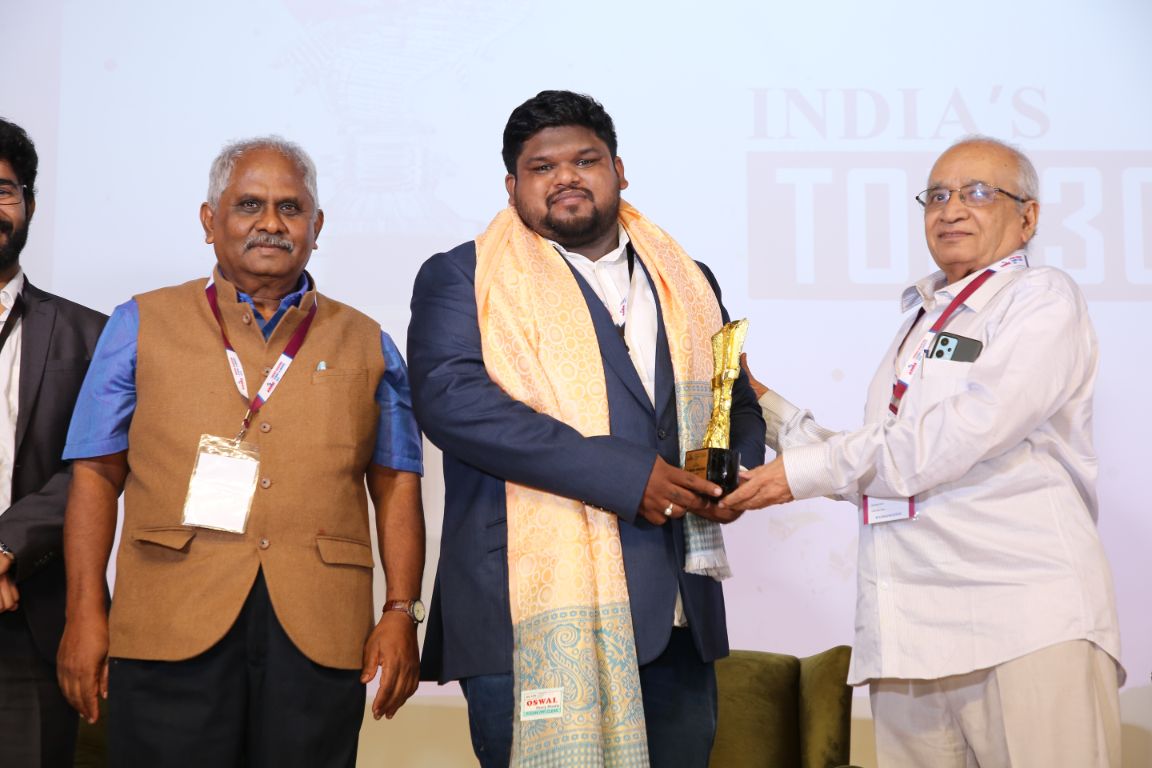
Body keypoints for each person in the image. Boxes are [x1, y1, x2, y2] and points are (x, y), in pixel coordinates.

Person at [726, 136, 1123, 768]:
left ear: (1028, 217)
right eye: (936, 196)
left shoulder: (1042, 296)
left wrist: (797, 475)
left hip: (1023, 618)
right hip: (908, 634)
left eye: (978, 193)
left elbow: (962, 433)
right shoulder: (919, 319)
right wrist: (764, 406)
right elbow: (885, 463)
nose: (951, 209)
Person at [408, 90, 765, 768]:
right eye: (541, 167)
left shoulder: (688, 280)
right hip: (527, 608)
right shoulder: (464, 276)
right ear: (512, 187)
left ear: (619, 171)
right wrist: (625, 476)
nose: (565, 177)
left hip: (675, 613)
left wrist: (729, 473)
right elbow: (453, 402)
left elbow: (736, 402)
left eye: (585, 160)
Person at [55, 137, 426, 767]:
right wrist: (85, 611)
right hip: (168, 621)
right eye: (249, 204)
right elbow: (95, 474)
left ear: (317, 226)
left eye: (291, 208)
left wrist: (400, 611)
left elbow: (397, 483)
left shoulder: (369, 341)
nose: (271, 223)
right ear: (210, 220)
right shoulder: (138, 324)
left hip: (319, 629)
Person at [0, 117, 106, 768]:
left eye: (3, 191)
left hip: (28, 621)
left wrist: (4, 549)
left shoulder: (90, 336)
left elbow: (91, 469)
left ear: (30, 205)